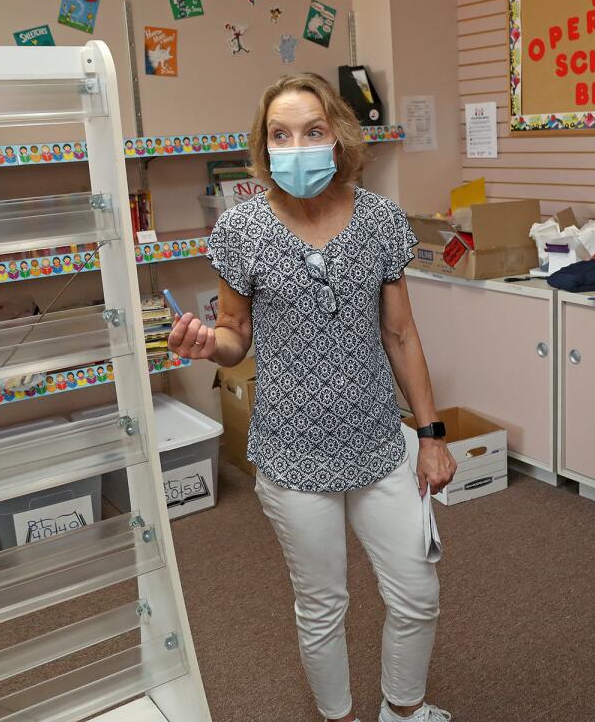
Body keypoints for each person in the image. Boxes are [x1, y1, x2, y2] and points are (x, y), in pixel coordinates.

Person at [168, 73, 456, 722]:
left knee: (416, 593)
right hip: (291, 453)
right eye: (280, 135)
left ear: (339, 138)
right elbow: (235, 336)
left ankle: (404, 713)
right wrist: (206, 344)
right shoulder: (241, 230)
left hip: (381, 444)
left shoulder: (380, 219)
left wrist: (432, 436)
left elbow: (401, 333)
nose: (296, 146)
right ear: (265, 149)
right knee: (323, 605)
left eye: (312, 131)